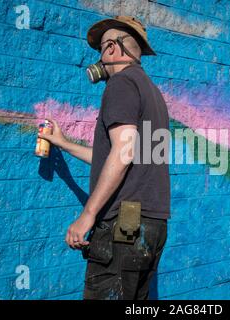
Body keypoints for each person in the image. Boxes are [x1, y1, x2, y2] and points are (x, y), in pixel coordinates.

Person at [38, 16, 171, 300]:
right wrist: (64, 144)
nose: (99, 56)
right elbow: (119, 156)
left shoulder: (121, 84)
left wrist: (88, 215)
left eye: (101, 48)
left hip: (123, 223)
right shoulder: (152, 93)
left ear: (112, 48)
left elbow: (123, 153)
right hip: (152, 224)